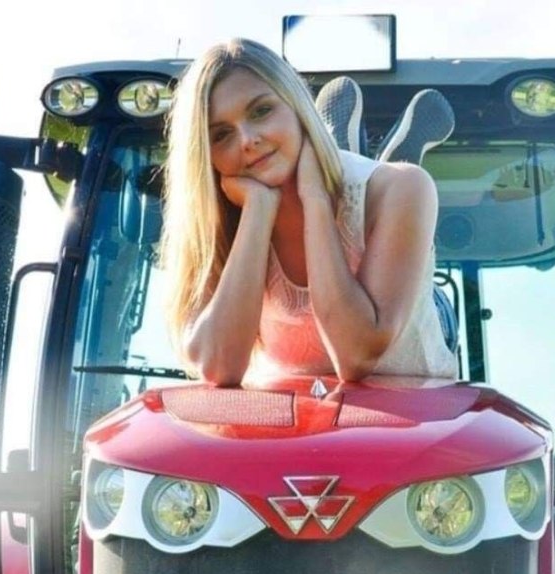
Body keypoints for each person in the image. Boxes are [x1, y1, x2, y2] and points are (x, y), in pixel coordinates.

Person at [161, 39, 458, 386]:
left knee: (377, 198)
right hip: (293, 433)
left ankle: (349, 158)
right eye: (221, 135)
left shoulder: (406, 188)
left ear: (297, 105)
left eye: (261, 111)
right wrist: (258, 211)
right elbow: (219, 367)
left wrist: (315, 198)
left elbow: (356, 356)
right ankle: (341, 149)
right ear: (204, 156)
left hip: (410, 429)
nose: (247, 140)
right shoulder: (219, 223)